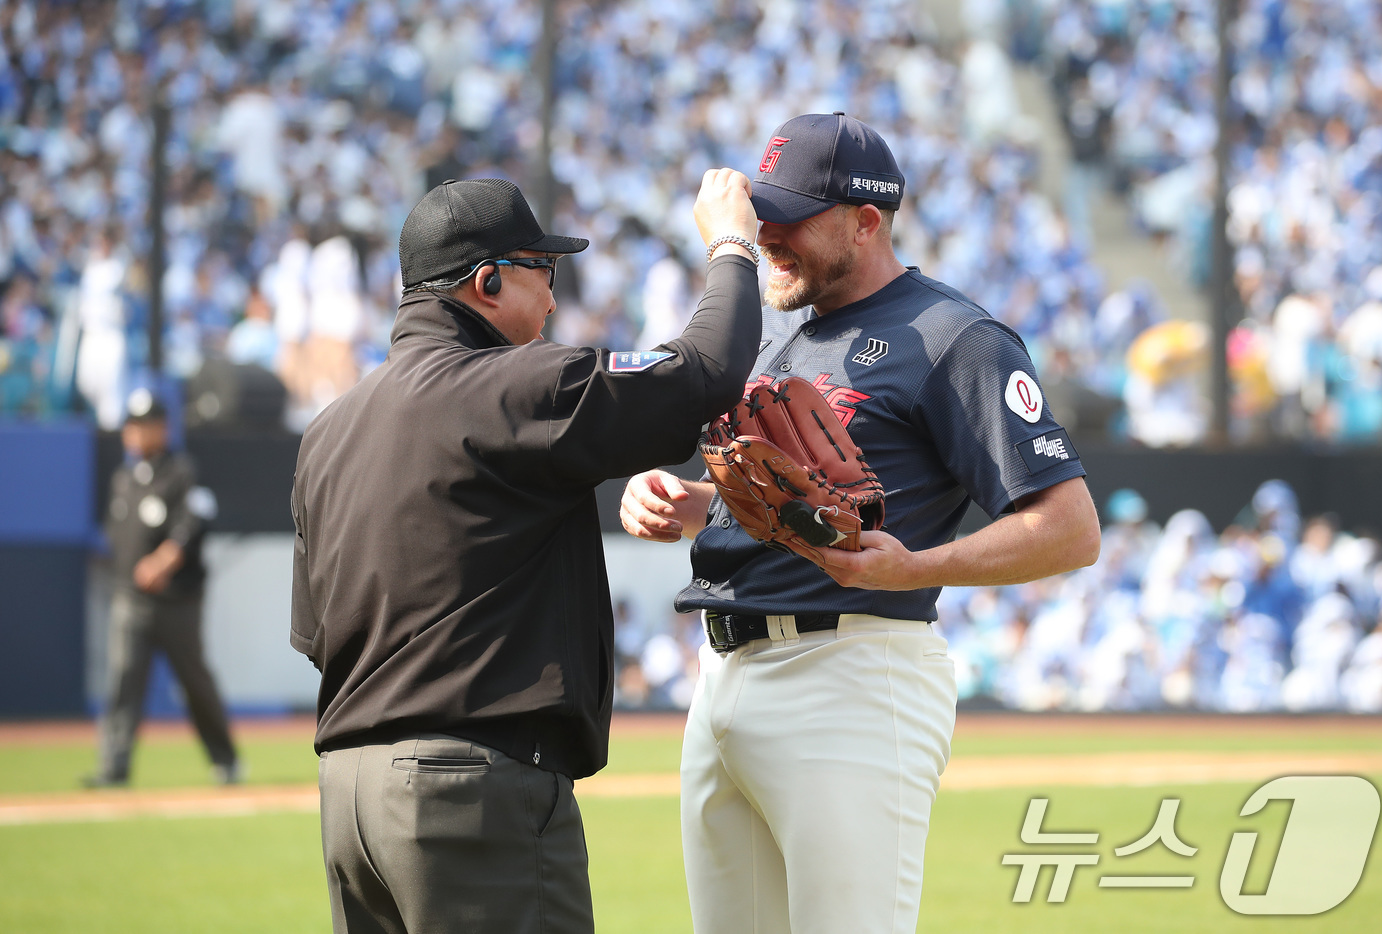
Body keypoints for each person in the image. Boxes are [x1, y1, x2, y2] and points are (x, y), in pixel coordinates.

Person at [619, 113, 1102, 934]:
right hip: (725, 677)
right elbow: (787, 500)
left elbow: (1070, 527)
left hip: (851, 673)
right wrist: (691, 501)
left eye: (789, 214)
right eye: (759, 210)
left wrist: (914, 566)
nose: (766, 232)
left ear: (865, 221)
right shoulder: (781, 336)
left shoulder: (956, 338)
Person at [290, 173, 762, 934]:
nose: (552, 299)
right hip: (467, 792)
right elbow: (701, 375)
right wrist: (734, 246)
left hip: (348, 801)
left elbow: (317, 639)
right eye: (543, 272)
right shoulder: (514, 384)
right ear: (487, 280)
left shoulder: (328, 431)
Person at [86, 388, 238, 787]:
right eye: (131, 425)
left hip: (177, 601)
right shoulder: (123, 478)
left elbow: (192, 525)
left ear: (162, 428)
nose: (136, 433)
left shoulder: (181, 472)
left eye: (144, 425)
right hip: (131, 599)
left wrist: (162, 561)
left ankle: (225, 760)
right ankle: (113, 767)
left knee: (193, 683)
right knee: (122, 680)